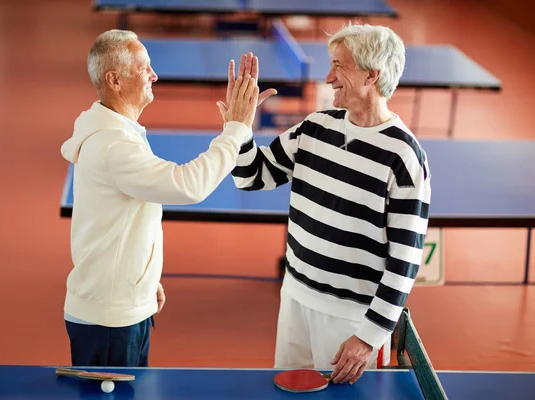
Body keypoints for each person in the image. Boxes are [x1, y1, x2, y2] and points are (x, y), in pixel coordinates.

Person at [224, 23, 432, 384]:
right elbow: (251, 176)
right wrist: (239, 127)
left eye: (339, 66)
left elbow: (406, 260)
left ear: (372, 75)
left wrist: (369, 336)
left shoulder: (404, 157)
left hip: (351, 318)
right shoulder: (314, 127)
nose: (328, 77)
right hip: (295, 299)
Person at [59, 29, 275, 367]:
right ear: (115, 80)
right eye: (144, 67)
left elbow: (126, 221)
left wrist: (143, 284)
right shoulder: (114, 146)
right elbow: (188, 185)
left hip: (125, 306)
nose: (154, 75)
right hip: (110, 319)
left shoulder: (118, 132)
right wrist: (236, 129)